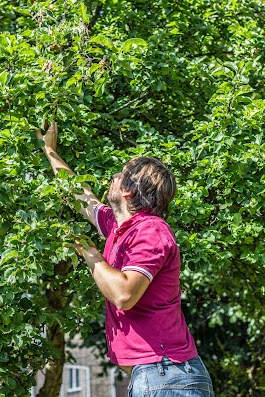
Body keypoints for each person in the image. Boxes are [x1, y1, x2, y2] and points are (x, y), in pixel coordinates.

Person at [37, 121, 215, 397]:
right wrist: (49, 150)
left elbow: (123, 294)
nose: (113, 176)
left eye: (120, 174)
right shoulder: (122, 228)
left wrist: (89, 252)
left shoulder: (151, 230)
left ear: (128, 191)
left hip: (165, 376)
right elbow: (81, 196)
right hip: (158, 376)